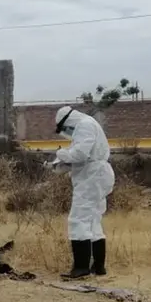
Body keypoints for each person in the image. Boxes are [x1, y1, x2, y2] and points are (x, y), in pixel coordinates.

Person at [48, 106, 115, 278]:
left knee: (78, 219)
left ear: (67, 122)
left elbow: (79, 155)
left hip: (92, 177)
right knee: (93, 220)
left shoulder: (84, 125)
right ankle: (98, 267)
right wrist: (57, 165)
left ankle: (81, 267)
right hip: (96, 175)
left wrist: (61, 153)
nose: (64, 132)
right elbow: (81, 157)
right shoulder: (87, 125)